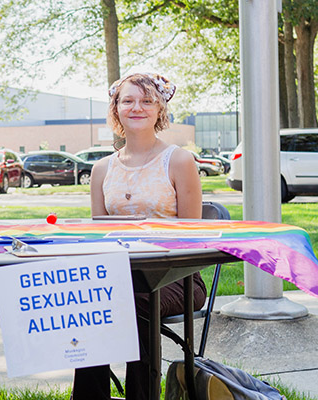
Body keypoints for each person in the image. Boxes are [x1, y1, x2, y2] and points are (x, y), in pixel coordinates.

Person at [71, 73, 205, 400]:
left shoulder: (179, 160)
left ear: (161, 109)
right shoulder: (102, 169)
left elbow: (193, 237)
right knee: (89, 300)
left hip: (177, 276)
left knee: (132, 301)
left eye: (147, 101)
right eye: (128, 100)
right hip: (118, 275)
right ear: (115, 108)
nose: (137, 107)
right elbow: (98, 235)